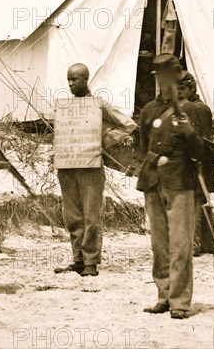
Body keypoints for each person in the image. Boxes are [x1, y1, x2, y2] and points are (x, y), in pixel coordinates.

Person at [138, 54, 205, 320]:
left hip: (180, 181)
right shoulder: (148, 110)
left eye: (168, 75)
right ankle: (163, 295)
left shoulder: (193, 110)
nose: (163, 82)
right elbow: (143, 147)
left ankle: (180, 301)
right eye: (159, 76)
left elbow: (202, 152)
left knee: (180, 245)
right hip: (154, 181)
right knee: (159, 245)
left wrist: (188, 132)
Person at [54, 63, 136, 277]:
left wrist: (103, 141)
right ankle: (78, 260)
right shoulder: (66, 107)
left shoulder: (99, 105)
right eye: (69, 79)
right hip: (68, 167)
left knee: (91, 216)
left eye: (75, 79)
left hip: (91, 167)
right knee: (72, 216)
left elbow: (128, 125)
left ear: (85, 79)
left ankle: (91, 261)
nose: (71, 83)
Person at [178, 71, 214, 256]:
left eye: (182, 89)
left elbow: (198, 139)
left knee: (195, 202)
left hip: (199, 162)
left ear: (190, 88)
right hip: (199, 161)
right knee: (200, 201)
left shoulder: (196, 108)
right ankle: (209, 244)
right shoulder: (197, 107)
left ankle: (194, 245)